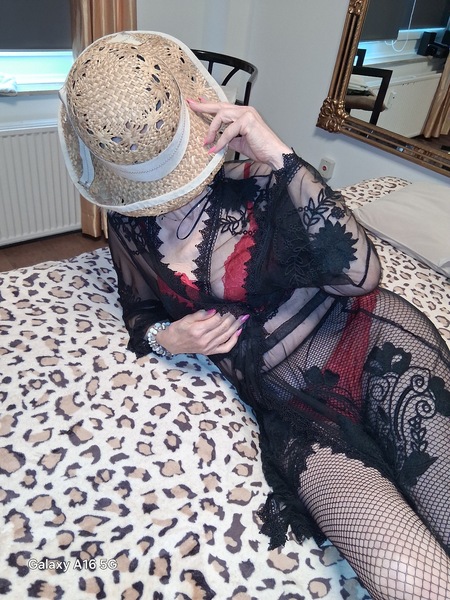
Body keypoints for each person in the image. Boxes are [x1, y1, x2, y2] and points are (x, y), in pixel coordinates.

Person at [59, 31, 450, 600]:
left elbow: (361, 277)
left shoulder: (262, 183)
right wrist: (170, 337)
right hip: (293, 406)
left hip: (371, 346)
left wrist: (280, 155)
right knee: (408, 579)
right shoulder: (127, 223)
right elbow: (139, 310)